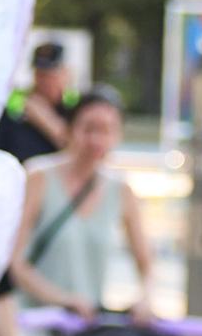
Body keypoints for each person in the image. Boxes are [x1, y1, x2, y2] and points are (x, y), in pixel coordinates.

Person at [8, 91, 153, 318]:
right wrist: (61, 299)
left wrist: (145, 298)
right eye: (89, 128)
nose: (96, 140)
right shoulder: (38, 177)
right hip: (34, 325)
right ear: (70, 129)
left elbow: (146, 261)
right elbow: (14, 261)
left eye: (107, 130)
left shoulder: (121, 189)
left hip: (85, 329)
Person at [0, 39, 71, 163]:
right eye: (39, 74)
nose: (44, 81)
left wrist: (46, 120)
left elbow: (79, 149)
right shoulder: (15, 111)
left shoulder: (75, 110)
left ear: (66, 74)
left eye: (50, 75)